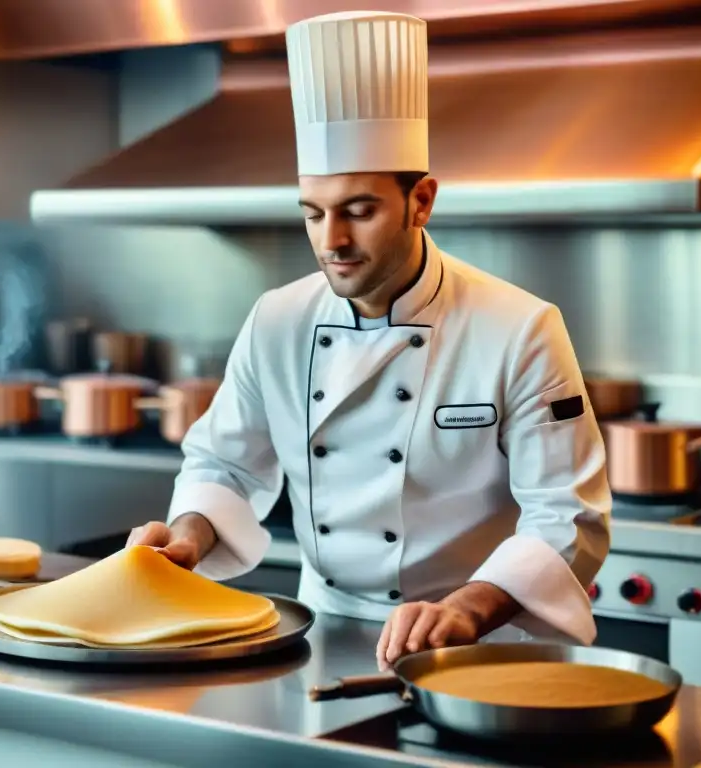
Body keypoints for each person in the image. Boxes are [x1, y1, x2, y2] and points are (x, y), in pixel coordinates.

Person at [127, 10, 611, 668]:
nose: (333, 242)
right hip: (321, 637)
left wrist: (467, 607)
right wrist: (188, 538)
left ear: (422, 201)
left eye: (359, 210)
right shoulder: (277, 319)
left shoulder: (519, 328)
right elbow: (226, 466)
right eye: (314, 214)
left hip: (484, 650)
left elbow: (566, 515)